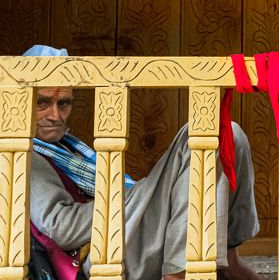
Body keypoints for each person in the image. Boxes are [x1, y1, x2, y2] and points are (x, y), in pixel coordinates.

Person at [24, 45, 264, 280]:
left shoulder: (68, 146)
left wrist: (144, 194)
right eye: (42, 103)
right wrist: (140, 194)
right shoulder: (24, 153)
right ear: (22, 102)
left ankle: (229, 258)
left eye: (63, 103)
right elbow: (63, 227)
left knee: (227, 135)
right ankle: (177, 274)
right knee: (199, 136)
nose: (54, 115)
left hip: (130, 232)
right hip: (105, 252)